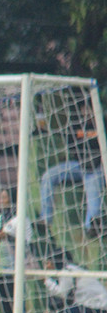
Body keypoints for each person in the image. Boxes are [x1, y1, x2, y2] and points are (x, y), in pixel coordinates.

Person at [36, 102, 105, 239]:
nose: (86, 112)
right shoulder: (76, 126)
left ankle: (91, 226)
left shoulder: (103, 124)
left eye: (89, 109)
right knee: (49, 176)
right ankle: (45, 220)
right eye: (84, 109)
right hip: (80, 166)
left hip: (99, 168)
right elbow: (72, 146)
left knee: (92, 190)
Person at [43, 248, 107, 313]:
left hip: (98, 305)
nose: (47, 266)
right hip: (94, 304)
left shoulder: (67, 271)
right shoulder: (72, 268)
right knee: (63, 312)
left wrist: (46, 281)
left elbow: (61, 293)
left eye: (48, 262)